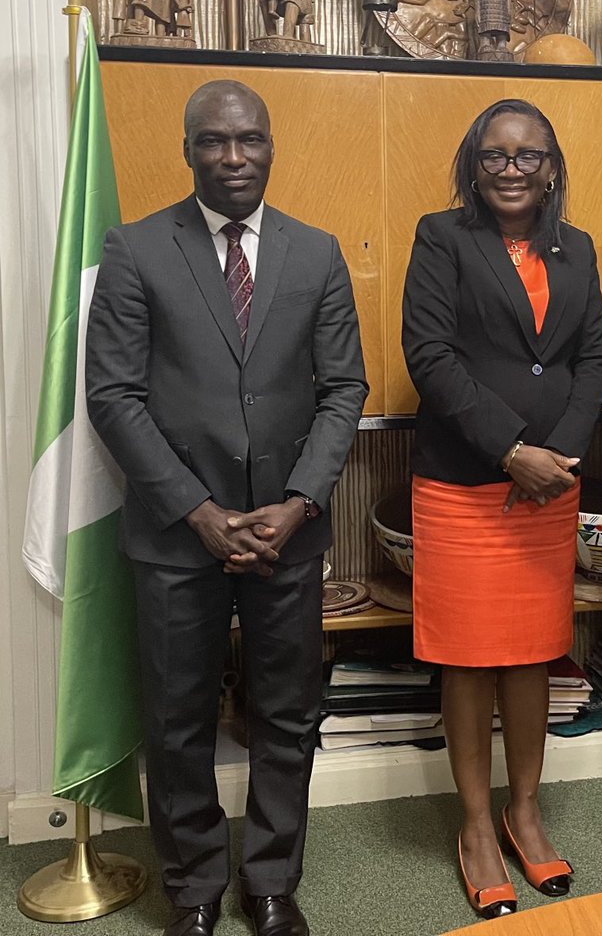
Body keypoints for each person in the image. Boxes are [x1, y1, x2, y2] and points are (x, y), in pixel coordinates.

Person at [85, 80, 368, 936]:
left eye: (249, 140)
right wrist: (199, 512)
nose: (234, 157)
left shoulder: (314, 252)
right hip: (177, 539)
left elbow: (343, 388)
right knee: (177, 723)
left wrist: (297, 501)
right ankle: (197, 887)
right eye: (214, 141)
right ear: (188, 150)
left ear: (271, 145)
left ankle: (272, 881)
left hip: (287, 532)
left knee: (287, 713)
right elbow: (114, 396)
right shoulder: (135, 250)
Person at [401, 98, 602, 920]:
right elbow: (431, 353)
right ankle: (477, 827)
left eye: (528, 156)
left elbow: (594, 353)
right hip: (464, 481)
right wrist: (508, 450)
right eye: (495, 155)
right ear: (474, 164)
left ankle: (526, 811)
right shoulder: (440, 237)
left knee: (530, 651)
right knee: (467, 655)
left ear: (551, 167)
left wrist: (555, 452)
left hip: (550, 483)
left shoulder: (579, 247)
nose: (512, 169)